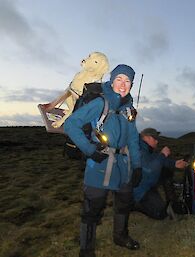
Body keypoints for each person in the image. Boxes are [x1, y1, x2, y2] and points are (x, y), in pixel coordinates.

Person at [64, 64, 142, 257]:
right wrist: (90, 150)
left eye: (127, 81)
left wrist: (138, 166)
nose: (123, 85)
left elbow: (133, 138)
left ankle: (120, 236)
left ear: (131, 84)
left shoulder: (129, 109)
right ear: (112, 80)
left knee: (124, 202)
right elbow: (71, 124)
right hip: (99, 163)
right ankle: (86, 250)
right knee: (93, 209)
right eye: (119, 79)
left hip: (124, 166)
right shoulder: (101, 103)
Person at [133, 128, 188, 220]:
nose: (157, 142)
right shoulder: (138, 149)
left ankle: (172, 201)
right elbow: (149, 169)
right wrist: (163, 154)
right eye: (155, 139)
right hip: (137, 190)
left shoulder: (144, 148)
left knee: (166, 170)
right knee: (160, 214)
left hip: (145, 186)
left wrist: (174, 163)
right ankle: (133, 204)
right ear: (148, 137)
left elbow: (156, 159)